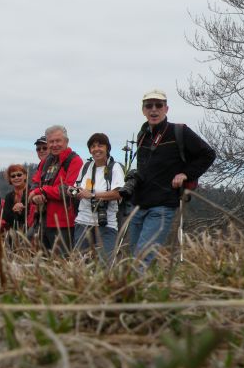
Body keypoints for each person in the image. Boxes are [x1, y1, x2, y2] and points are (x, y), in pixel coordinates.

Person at [128, 89, 216, 268]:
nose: (154, 110)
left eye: (158, 105)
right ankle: (148, 290)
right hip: (138, 204)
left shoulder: (179, 131)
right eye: (149, 106)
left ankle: (135, 294)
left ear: (166, 109)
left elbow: (208, 154)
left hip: (162, 205)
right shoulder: (142, 134)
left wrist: (186, 174)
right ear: (143, 110)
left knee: (141, 258)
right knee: (133, 257)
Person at [28, 125, 83, 253]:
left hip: (64, 224)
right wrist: (34, 195)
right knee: (41, 264)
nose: (54, 144)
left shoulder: (75, 161)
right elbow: (35, 183)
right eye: (51, 141)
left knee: (62, 263)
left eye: (58, 141)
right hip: (42, 220)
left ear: (66, 141)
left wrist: (42, 191)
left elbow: (69, 190)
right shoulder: (45, 161)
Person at [73, 133, 124, 265]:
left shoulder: (115, 167)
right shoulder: (86, 167)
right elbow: (77, 187)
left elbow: (119, 193)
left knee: (105, 265)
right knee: (79, 265)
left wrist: (93, 195)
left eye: (100, 145)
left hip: (106, 223)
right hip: (83, 222)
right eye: (93, 146)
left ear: (107, 148)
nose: (96, 149)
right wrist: (72, 191)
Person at [2, 164, 32, 232]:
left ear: (25, 176)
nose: (16, 178)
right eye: (13, 176)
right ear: (10, 179)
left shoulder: (32, 192)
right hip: (14, 234)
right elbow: (5, 217)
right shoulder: (9, 196)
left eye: (19, 175)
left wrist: (22, 210)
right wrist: (14, 210)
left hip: (31, 233)